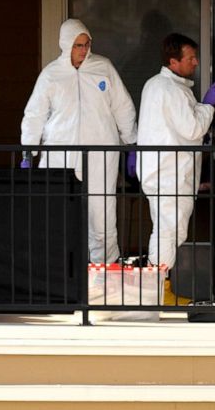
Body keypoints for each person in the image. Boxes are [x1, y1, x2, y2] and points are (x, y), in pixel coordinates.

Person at [21, 18, 137, 264]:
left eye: (86, 44)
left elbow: (123, 107)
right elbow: (34, 115)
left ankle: (104, 274)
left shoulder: (103, 68)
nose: (83, 50)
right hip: (60, 156)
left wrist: (131, 143)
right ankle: (59, 272)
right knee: (60, 213)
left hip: (100, 154)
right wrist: (27, 152)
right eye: (78, 45)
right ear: (66, 45)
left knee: (101, 215)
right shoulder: (51, 75)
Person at [135, 33, 215, 271]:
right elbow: (193, 128)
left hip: (162, 170)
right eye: (190, 58)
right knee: (169, 231)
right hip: (169, 173)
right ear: (173, 62)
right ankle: (156, 287)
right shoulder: (170, 90)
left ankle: (157, 284)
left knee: (168, 229)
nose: (195, 62)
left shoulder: (156, 84)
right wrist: (207, 106)